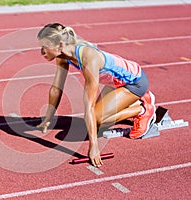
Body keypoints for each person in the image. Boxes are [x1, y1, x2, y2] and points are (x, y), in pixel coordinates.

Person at [36, 23, 156, 167]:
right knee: (95, 119)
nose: (41, 52)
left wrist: (94, 146)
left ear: (60, 45)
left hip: (134, 83)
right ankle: (132, 102)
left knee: (98, 119)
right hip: (114, 84)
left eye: (45, 47)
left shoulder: (89, 59)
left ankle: (142, 109)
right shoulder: (62, 56)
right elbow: (56, 88)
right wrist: (48, 119)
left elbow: (89, 106)